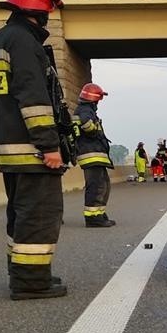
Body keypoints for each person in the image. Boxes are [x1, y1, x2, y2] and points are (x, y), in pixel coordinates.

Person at [0, 0, 68, 300]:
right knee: (39, 214)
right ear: (39, 9)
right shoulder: (24, 42)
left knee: (20, 213)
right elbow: (34, 98)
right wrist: (49, 145)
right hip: (32, 151)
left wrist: (2, 134)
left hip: (8, 149)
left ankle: (24, 274)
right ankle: (31, 282)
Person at [73, 83, 116, 227]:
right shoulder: (84, 111)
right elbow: (87, 125)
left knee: (103, 185)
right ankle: (93, 218)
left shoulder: (86, 110)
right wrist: (95, 130)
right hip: (91, 155)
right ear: (94, 99)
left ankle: (99, 214)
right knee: (96, 186)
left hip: (95, 155)